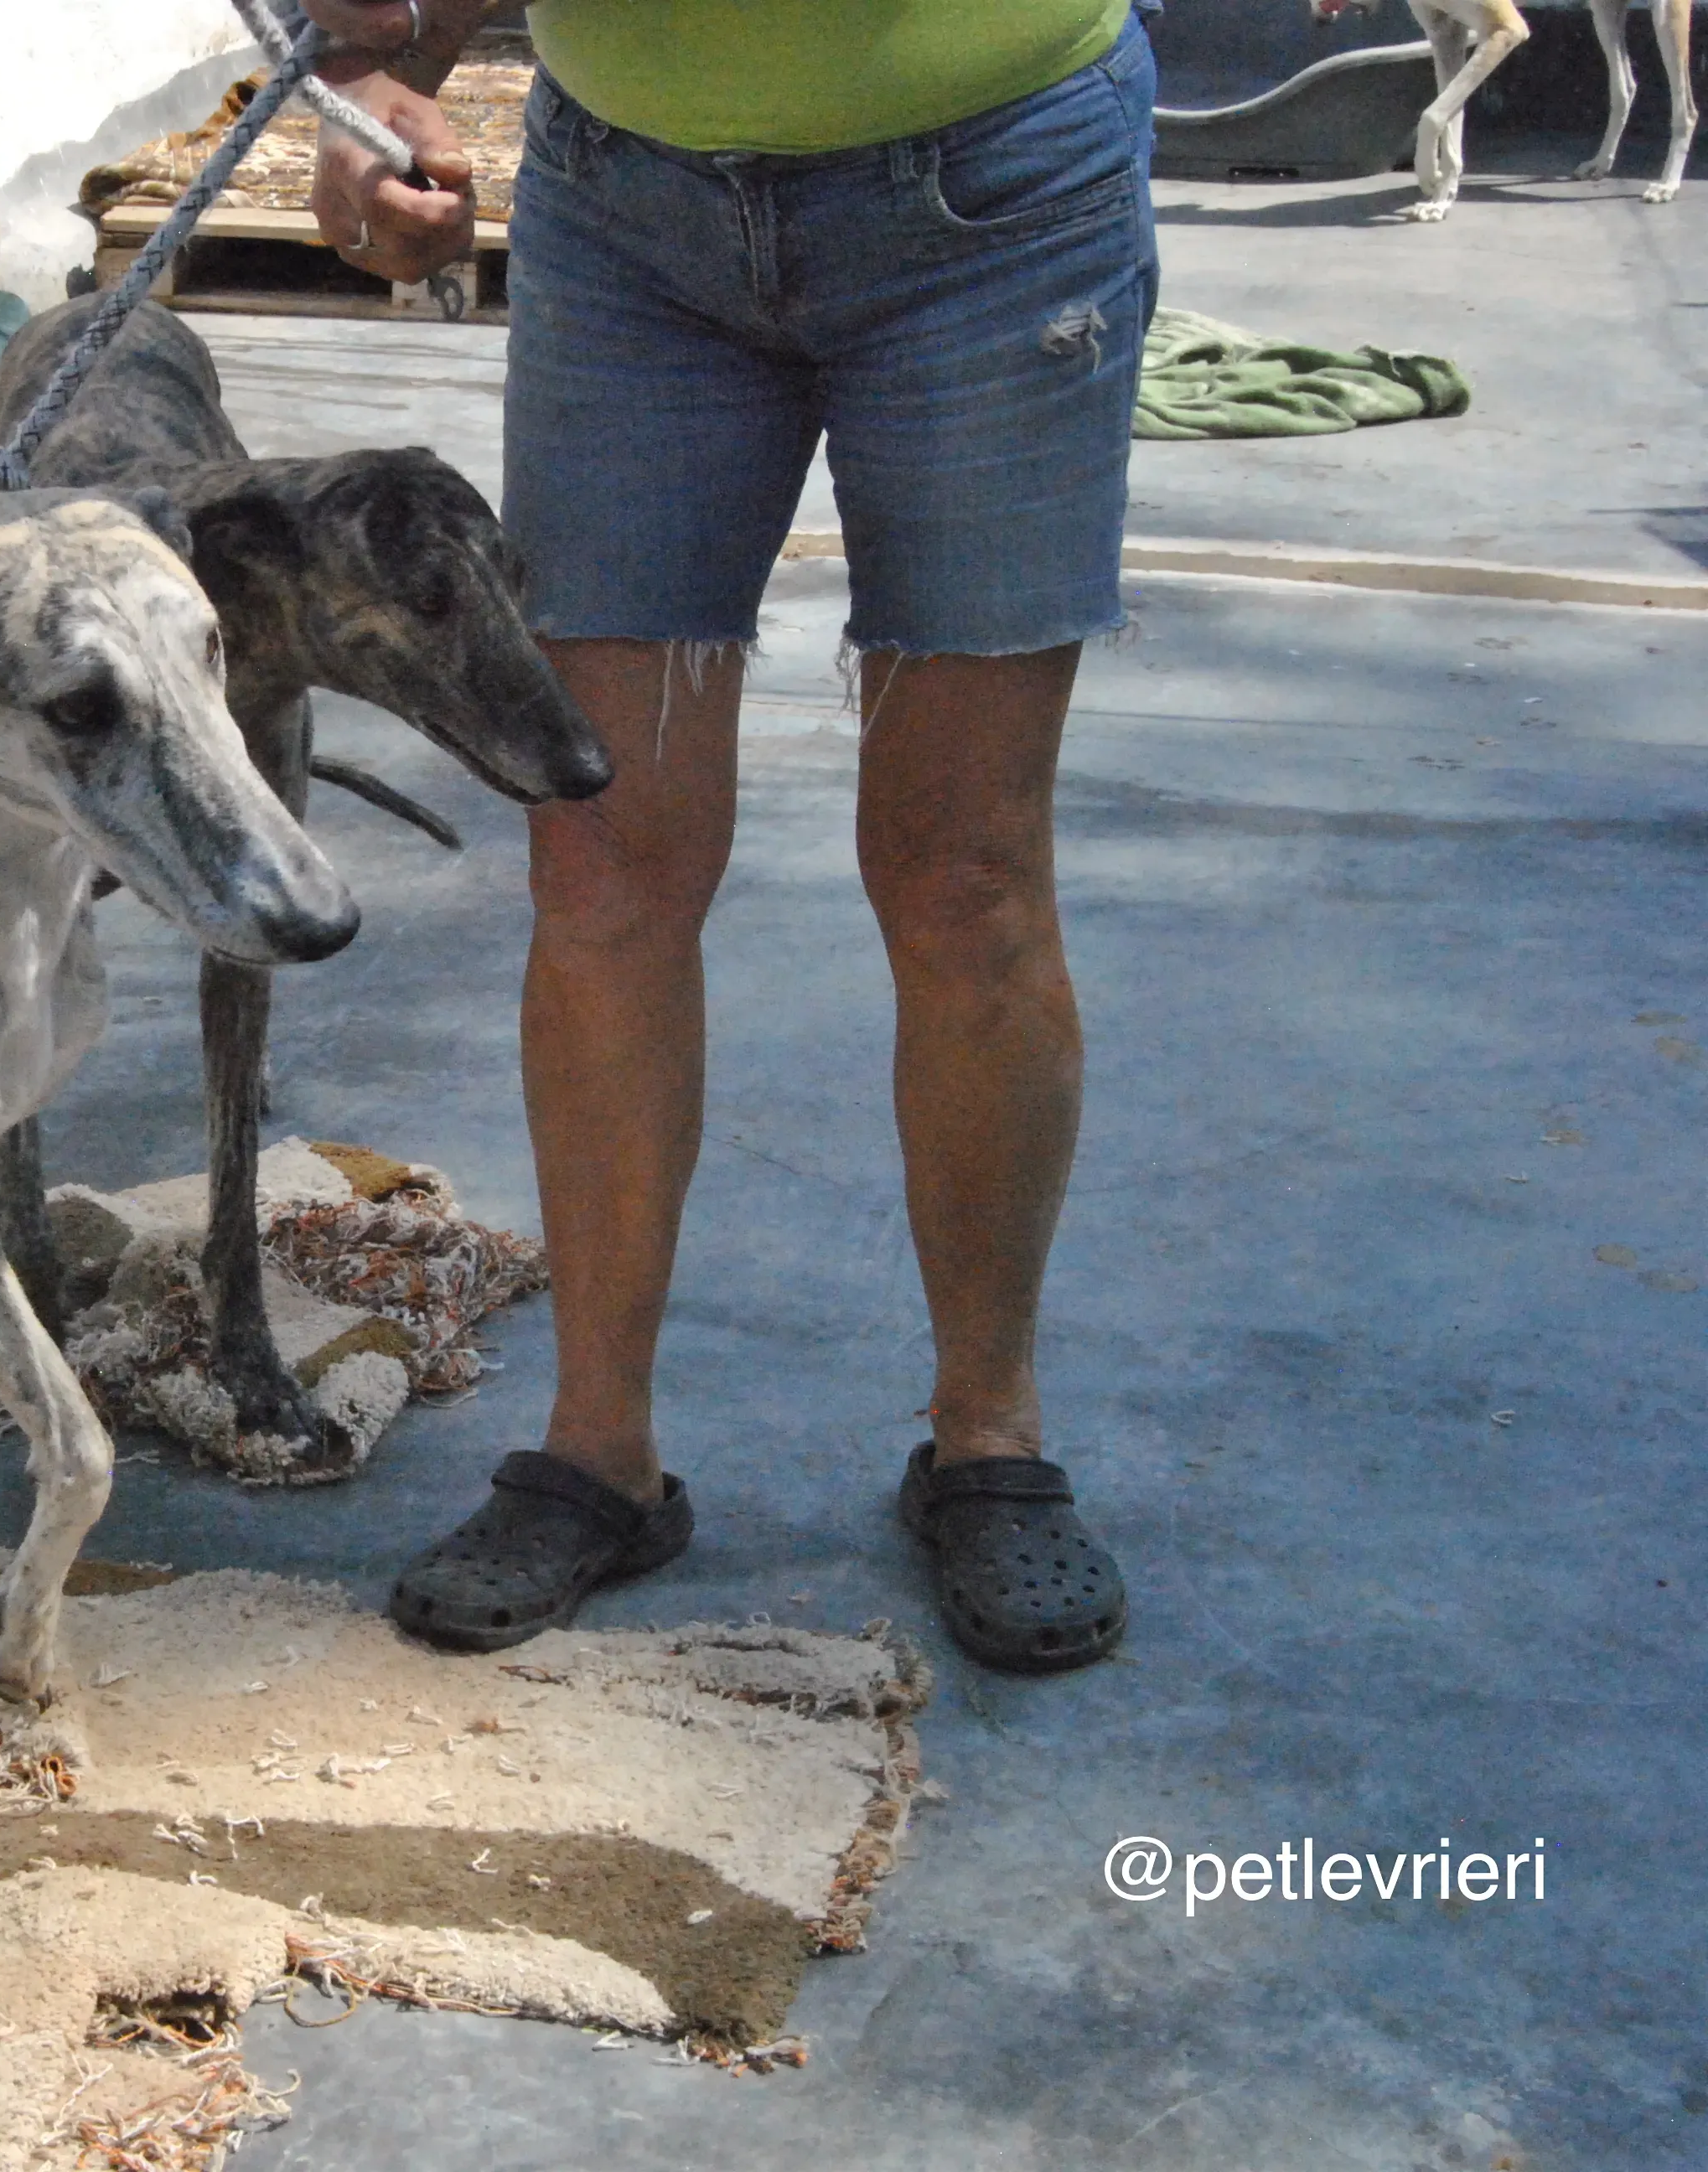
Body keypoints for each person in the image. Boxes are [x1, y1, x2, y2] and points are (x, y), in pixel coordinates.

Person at [298, 0, 1153, 1672]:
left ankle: (988, 1433)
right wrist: (377, 76)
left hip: (993, 183)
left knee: (962, 874)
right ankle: (596, 1449)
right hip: (630, 212)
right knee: (600, 855)